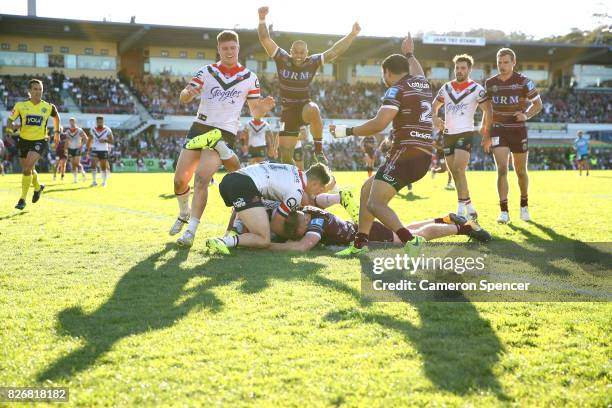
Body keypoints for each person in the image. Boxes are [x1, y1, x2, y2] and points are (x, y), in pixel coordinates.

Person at [169, 30, 275, 248]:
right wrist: (186, 94)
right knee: (180, 180)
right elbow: (185, 94)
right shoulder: (207, 71)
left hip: (224, 132)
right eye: (225, 48)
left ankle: (191, 231)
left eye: (233, 48)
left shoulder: (249, 77)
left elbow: (255, 112)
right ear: (219, 49)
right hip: (199, 128)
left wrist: (262, 109)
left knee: (201, 178)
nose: (229, 51)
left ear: (238, 48)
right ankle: (183, 212)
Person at [330, 33, 433, 257]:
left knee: (375, 204)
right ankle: (360, 244)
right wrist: (409, 53)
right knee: (367, 190)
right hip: (422, 154)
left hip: (406, 152)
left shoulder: (395, 89)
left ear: (387, 72)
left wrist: (346, 131)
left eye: (383, 74)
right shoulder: (421, 82)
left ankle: (411, 241)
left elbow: (379, 123)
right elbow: (418, 70)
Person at [257, 6, 360, 165]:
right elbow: (265, 40)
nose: (299, 55)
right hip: (288, 111)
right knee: (285, 157)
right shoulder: (282, 58)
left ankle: (318, 151)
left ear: (307, 52)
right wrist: (262, 19)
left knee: (314, 109)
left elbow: (334, 52)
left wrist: (352, 35)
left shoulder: (312, 62)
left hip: (304, 107)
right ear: (290, 51)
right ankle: (295, 183)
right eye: (296, 52)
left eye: (302, 52)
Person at [204, 162, 332, 254]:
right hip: (244, 186)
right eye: (319, 189)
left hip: (231, 180)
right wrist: (292, 240)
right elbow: (276, 225)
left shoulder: (292, 169)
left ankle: (232, 232)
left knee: (261, 206)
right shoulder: (296, 193)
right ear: (314, 182)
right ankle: (223, 241)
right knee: (263, 239)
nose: (317, 193)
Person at [485, 48, 542, 223]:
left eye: (506, 62)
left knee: (520, 171)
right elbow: (487, 110)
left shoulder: (524, 82)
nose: (502, 66)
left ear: (513, 63)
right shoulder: (490, 83)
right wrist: (485, 133)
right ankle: (504, 212)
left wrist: (526, 115)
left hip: (518, 130)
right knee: (502, 169)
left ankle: (524, 206)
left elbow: (537, 104)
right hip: (498, 130)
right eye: (499, 62)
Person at [433, 54, 493, 218]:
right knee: (455, 174)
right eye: (457, 68)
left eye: (463, 68)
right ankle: (470, 208)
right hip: (448, 135)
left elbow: (488, 110)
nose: (459, 71)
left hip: (465, 133)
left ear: (469, 69)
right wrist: (435, 117)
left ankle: (460, 210)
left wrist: (484, 128)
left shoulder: (477, 89)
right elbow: (434, 106)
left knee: (460, 169)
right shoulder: (446, 88)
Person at [272, 207, 490, 251]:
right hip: (363, 229)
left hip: (367, 234)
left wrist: (268, 246)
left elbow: (304, 246)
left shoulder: (315, 223)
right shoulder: (310, 211)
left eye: (298, 229)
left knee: (414, 237)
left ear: (306, 220)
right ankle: (444, 219)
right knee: (407, 229)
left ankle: (464, 228)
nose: (298, 233)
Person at [7, 78, 61, 210]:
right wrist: (10, 128)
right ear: (30, 91)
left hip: (40, 141)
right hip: (23, 141)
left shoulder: (48, 107)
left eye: (40, 89)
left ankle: (22, 199)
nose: (38, 91)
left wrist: (57, 132)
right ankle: (38, 187)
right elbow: (10, 121)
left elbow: (56, 117)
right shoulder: (20, 105)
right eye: (35, 89)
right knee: (29, 170)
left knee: (26, 170)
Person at [86, 116, 114, 187]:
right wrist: (88, 150)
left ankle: (104, 182)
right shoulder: (92, 129)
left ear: (103, 121)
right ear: (96, 122)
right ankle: (94, 181)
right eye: (98, 121)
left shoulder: (107, 130)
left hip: (104, 149)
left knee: (103, 167)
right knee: (93, 165)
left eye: (101, 121)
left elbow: (112, 141)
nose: (99, 123)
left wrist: (105, 140)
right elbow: (89, 140)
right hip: (95, 149)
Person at [65, 117, 89, 183]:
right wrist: (66, 149)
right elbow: (66, 141)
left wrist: (81, 145)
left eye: (72, 121)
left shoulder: (79, 130)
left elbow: (86, 139)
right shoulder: (67, 131)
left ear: (75, 122)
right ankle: (75, 179)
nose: (71, 123)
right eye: (70, 122)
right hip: (70, 149)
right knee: (73, 164)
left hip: (77, 149)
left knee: (76, 163)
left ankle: (83, 173)